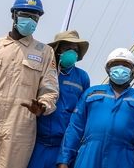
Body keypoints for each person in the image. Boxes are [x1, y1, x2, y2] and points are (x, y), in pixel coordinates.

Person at [0, 0, 59, 168]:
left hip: (20, 126)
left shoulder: (45, 52)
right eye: (26, 15)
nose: (30, 20)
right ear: (14, 15)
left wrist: (43, 107)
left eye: (35, 17)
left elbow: (50, 90)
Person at [57, 47, 134, 168]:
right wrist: (64, 160)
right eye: (116, 64)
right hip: (88, 155)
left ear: (132, 70)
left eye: (125, 65)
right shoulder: (91, 93)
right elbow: (75, 128)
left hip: (123, 159)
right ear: (108, 69)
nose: (121, 68)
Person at [26, 30, 91, 168]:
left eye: (75, 49)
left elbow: (82, 115)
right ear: (57, 49)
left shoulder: (82, 77)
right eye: (67, 48)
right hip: (37, 144)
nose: (72, 52)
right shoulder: (43, 71)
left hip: (64, 147)